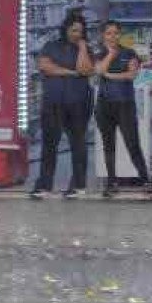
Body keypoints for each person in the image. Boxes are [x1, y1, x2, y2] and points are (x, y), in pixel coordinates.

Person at [31, 10, 94, 199]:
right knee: (50, 144)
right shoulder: (51, 46)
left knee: (78, 143)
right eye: (74, 30)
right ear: (65, 29)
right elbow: (44, 66)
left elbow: (86, 69)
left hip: (78, 102)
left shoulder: (86, 49)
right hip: (53, 102)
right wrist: (70, 72)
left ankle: (78, 185)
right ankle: (44, 185)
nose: (77, 34)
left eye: (80, 31)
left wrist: (83, 48)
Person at [93, 22, 152, 198]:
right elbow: (99, 71)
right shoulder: (99, 53)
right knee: (109, 145)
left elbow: (132, 74)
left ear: (120, 35)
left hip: (125, 104)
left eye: (115, 33)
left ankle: (146, 180)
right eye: (108, 33)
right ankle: (111, 182)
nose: (112, 37)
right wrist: (110, 55)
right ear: (103, 36)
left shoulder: (129, 53)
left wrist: (111, 75)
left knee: (133, 144)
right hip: (104, 106)